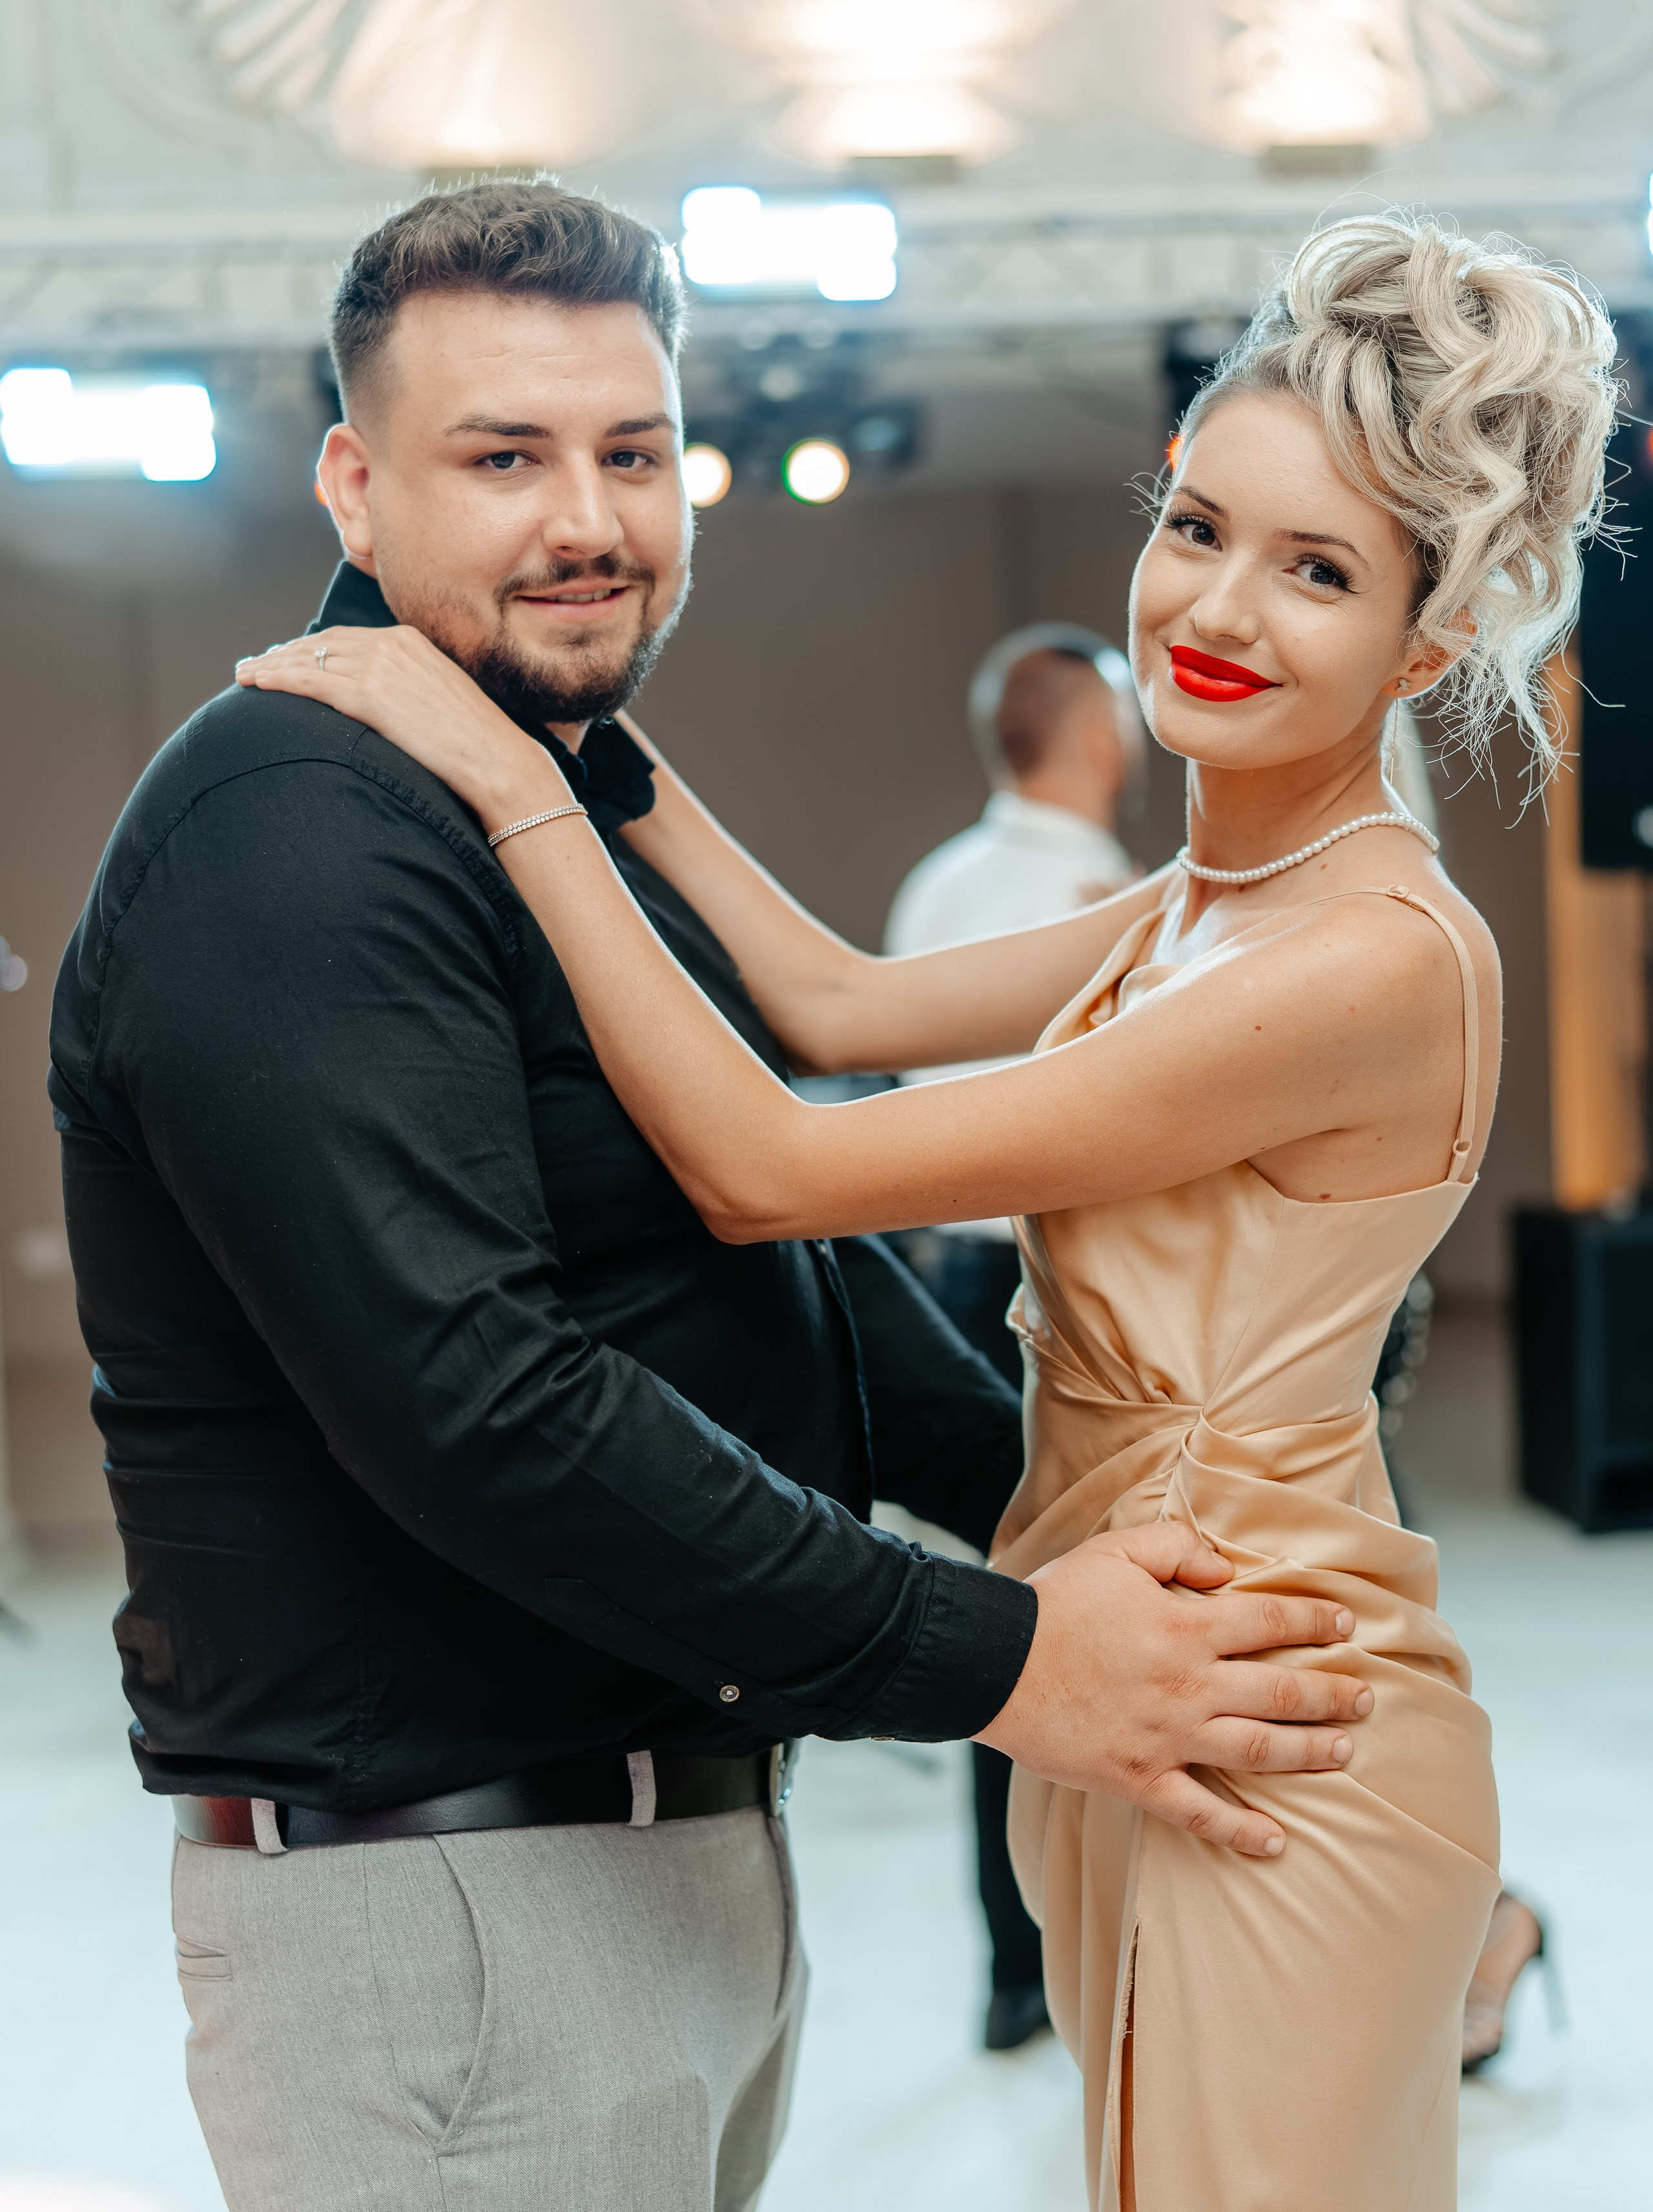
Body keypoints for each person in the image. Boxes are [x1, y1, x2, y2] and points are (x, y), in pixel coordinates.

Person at [244, 209, 1617, 2207]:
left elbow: (772, 1168)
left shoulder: (1373, 957)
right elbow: (832, 1003)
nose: (1218, 605)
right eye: (1198, 527)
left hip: (1276, 1730)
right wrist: (569, 728)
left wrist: (493, 774)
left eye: (1317, 569)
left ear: (1425, 641)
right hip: (1135, 1681)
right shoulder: (1208, 907)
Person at [886, 626, 1144, 2053]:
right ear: (1096, 735)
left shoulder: (938, 883)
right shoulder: (1105, 900)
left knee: (1003, 1634)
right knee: (1091, 1625)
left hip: (942, 1286)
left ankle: (1012, 1967)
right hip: (1058, 1299)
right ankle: (1104, 1940)